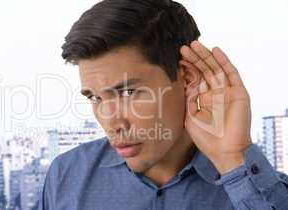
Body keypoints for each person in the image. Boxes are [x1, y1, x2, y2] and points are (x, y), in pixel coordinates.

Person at [38, 0, 288, 209]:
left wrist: (234, 158)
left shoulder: (264, 192)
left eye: (129, 92)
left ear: (187, 78)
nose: (112, 123)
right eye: (95, 97)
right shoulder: (66, 175)